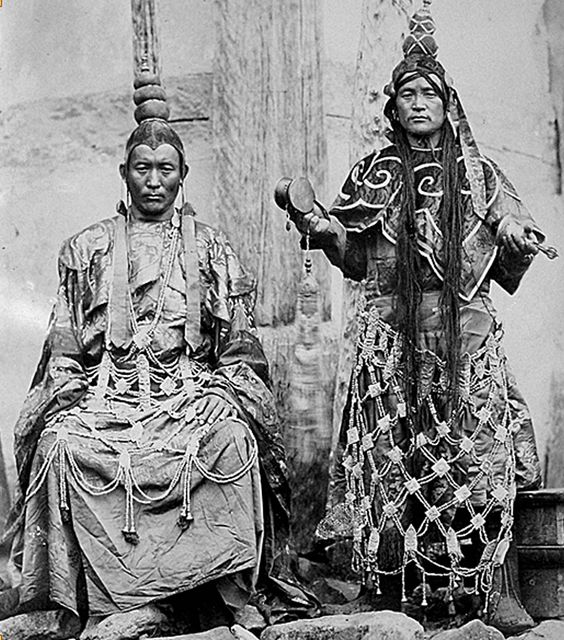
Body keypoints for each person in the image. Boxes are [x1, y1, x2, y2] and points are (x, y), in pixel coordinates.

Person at [0, 75, 315, 636]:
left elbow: (240, 348)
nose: (153, 181)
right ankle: (97, 602)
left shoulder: (211, 247)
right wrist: (68, 390)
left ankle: (218, 593)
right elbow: (64, 349)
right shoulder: (86, 248)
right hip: (107, 399)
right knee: (57, 444)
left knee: (234, 439)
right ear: (124, 174)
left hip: (187, 396)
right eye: (142, 169)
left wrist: (223, 392)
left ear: (182, 175)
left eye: (165, 169)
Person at [279, 1, 550, 634]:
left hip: (467, 338)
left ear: (447, 102)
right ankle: (389, 593)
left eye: (429, 91)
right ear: (392, 106)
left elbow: (508, 233)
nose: (419, 101)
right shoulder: (373, 175)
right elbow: (354, 254)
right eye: (407, 92)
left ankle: (493, 590)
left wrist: (512, 232)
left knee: (482, 462)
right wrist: (322, 229)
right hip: (394, 344)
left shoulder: (478, 177)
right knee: (391, 468)